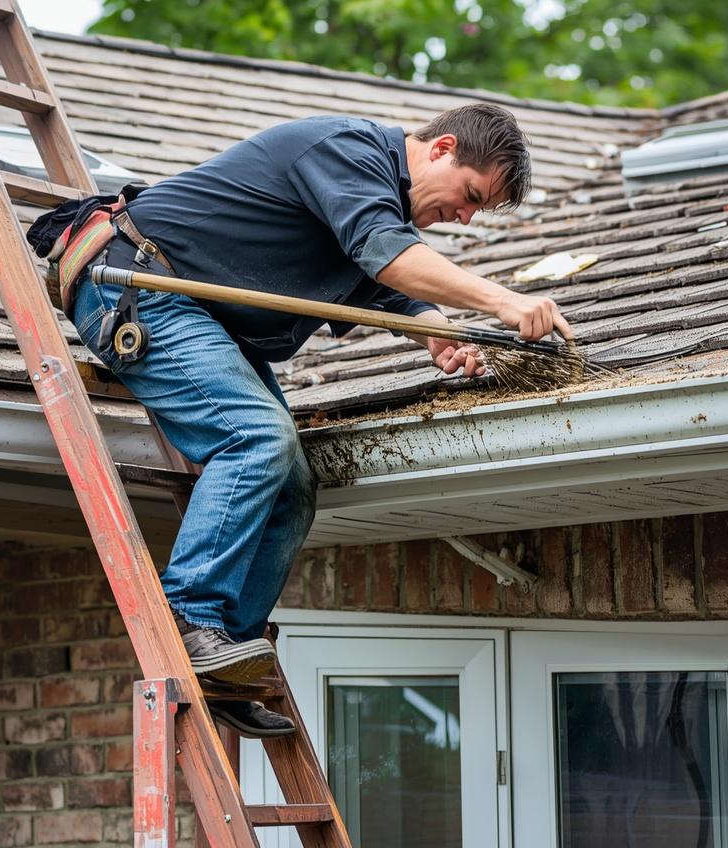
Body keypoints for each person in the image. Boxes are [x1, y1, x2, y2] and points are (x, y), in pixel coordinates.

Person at [64, 102, 571, 738]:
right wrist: (503, 299)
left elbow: (383, 284)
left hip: (205, 316)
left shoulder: (370, 200)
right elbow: (387, 255)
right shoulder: (347, 151)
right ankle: (190, 618)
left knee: (293, 486)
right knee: (256, 438)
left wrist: (435, 334)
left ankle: (228, 657)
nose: (465, 218)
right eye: (470, 196)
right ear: (441, 149)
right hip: (138, 281)